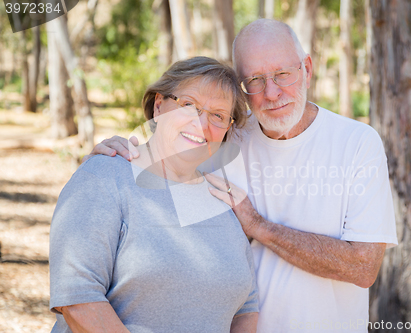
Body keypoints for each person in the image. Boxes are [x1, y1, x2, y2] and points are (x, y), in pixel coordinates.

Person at [86, 19, 398, 333]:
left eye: (282, 74)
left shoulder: (357, 142)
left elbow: (363, 266)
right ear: (243, 90)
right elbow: (160, 188)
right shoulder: (223, 136)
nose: (272, 93)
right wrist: (114, 160)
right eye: (255, 80)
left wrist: (260, 227)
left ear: (307, 68)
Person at [49, 57, 259, 333]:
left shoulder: (220, 199)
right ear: (159, 105)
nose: (201, 123)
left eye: (218, 115)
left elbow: (246, 308)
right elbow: (78, 300)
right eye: (189, 105)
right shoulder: (105, 176)